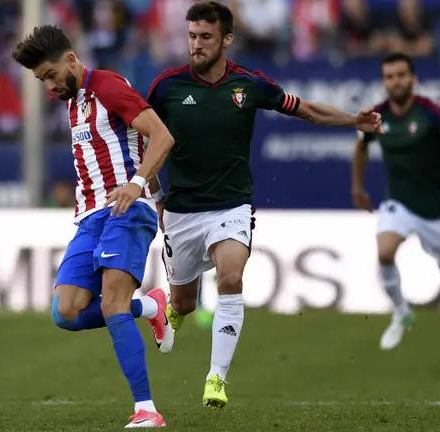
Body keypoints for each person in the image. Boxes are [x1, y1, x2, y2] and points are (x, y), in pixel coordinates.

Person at [143, 1, 383, 409]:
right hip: (182, 212)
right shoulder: (166, 87)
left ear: (227, 40)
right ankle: (167, 309)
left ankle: (216, 379)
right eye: (191, 37)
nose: (196, 46)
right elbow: (143, 142)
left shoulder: (249, 85)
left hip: (232, 206)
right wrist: (157, 198)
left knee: (231, 278)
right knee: (183, 302)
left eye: (205, 37)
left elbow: (305, 109)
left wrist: (351, 121)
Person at [12, 25, 176, 428]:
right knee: (65, 312)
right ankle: (151, 306)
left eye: (50, 75)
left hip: (125, 209)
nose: (49, 86)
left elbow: (161, 136)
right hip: (88, 218)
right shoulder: (73, 103)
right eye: (41, 81)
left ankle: (146, 409)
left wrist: (142, 190)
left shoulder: (108, 86)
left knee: (111, 303)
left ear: (71, 59)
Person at [351, 52, 440, 375]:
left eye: (400, 75)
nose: (395, 82)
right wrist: (358, 187)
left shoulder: (430, 112)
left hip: (435, 209)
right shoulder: (376, 116)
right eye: (389, 76)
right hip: (398, 200)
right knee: (384, 251)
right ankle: (401, 312)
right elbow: (361, 148)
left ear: (412, 78)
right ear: (384, 81)